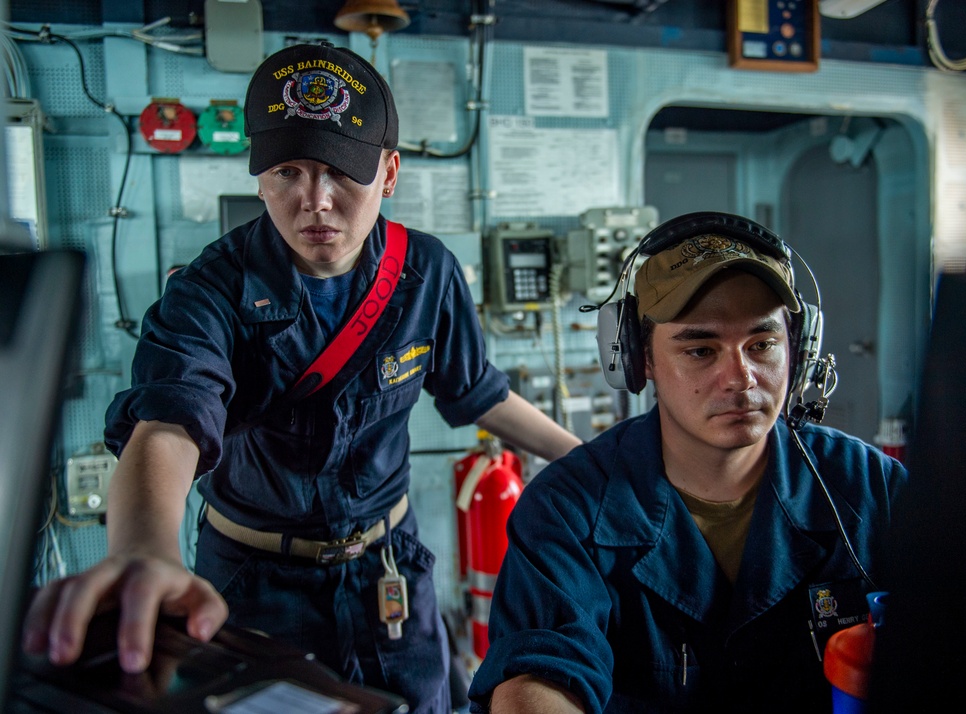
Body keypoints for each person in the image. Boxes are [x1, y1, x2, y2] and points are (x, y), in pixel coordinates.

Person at [22, 42, 580, 714]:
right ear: (259, 177)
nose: (315, 201)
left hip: (389, 569)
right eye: (287, 171)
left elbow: (480, 393)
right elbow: (170, 422)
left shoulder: (425, 273)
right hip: (252, 584)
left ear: (390, 171)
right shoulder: (208, 292)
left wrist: (588, 462)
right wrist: (145, 549)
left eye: (341, 172)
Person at [467, 212, 908, 713]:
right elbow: (538, 677)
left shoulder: (873, 489)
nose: (741, 378)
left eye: (762, 345)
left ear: (800, 349)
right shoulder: (567, 509)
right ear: (639, 359)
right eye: (701, 350)